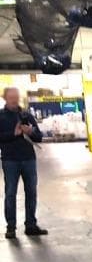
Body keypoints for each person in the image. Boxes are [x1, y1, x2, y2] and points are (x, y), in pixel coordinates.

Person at [0, 87, 46, 240]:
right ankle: (11, 227)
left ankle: (31, 225)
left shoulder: (26, 115)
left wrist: (30, 132)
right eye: (11, 97)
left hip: (28, 159)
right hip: (10, 160)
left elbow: (39, 137)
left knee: (31, 192)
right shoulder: (1, 116)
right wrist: (13, 134)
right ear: (5, 98)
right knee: (10, 193)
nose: (14, 99)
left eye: (16, 97)